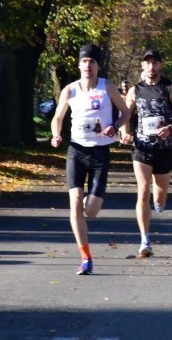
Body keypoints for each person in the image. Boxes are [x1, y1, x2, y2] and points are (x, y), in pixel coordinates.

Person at [51, 44, 130, 275]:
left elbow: (126, 112)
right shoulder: (70, 90)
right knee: (74, 202)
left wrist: (115, 127)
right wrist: (56, 134)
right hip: (76, 150)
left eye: (92, 62)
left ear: (98, 66)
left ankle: (93, 203)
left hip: (100, 152)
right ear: (79, 65)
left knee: (91, 211)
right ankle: (85, 258)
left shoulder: (108, 87)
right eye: (84, 62)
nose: (88, 66)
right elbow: (58, 116)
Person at [120, 49, 172, 258]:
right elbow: (126, 115)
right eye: (148, 63)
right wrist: (124, 132)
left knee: (159, 192)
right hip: (142, 148)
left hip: (164, 150)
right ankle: (145, 240)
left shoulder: (170, 88)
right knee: (143, 190)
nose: (151, 67)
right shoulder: (135, 91)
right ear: (142, 66)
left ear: (160, 66)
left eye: (155, 63)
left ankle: (160, 201)